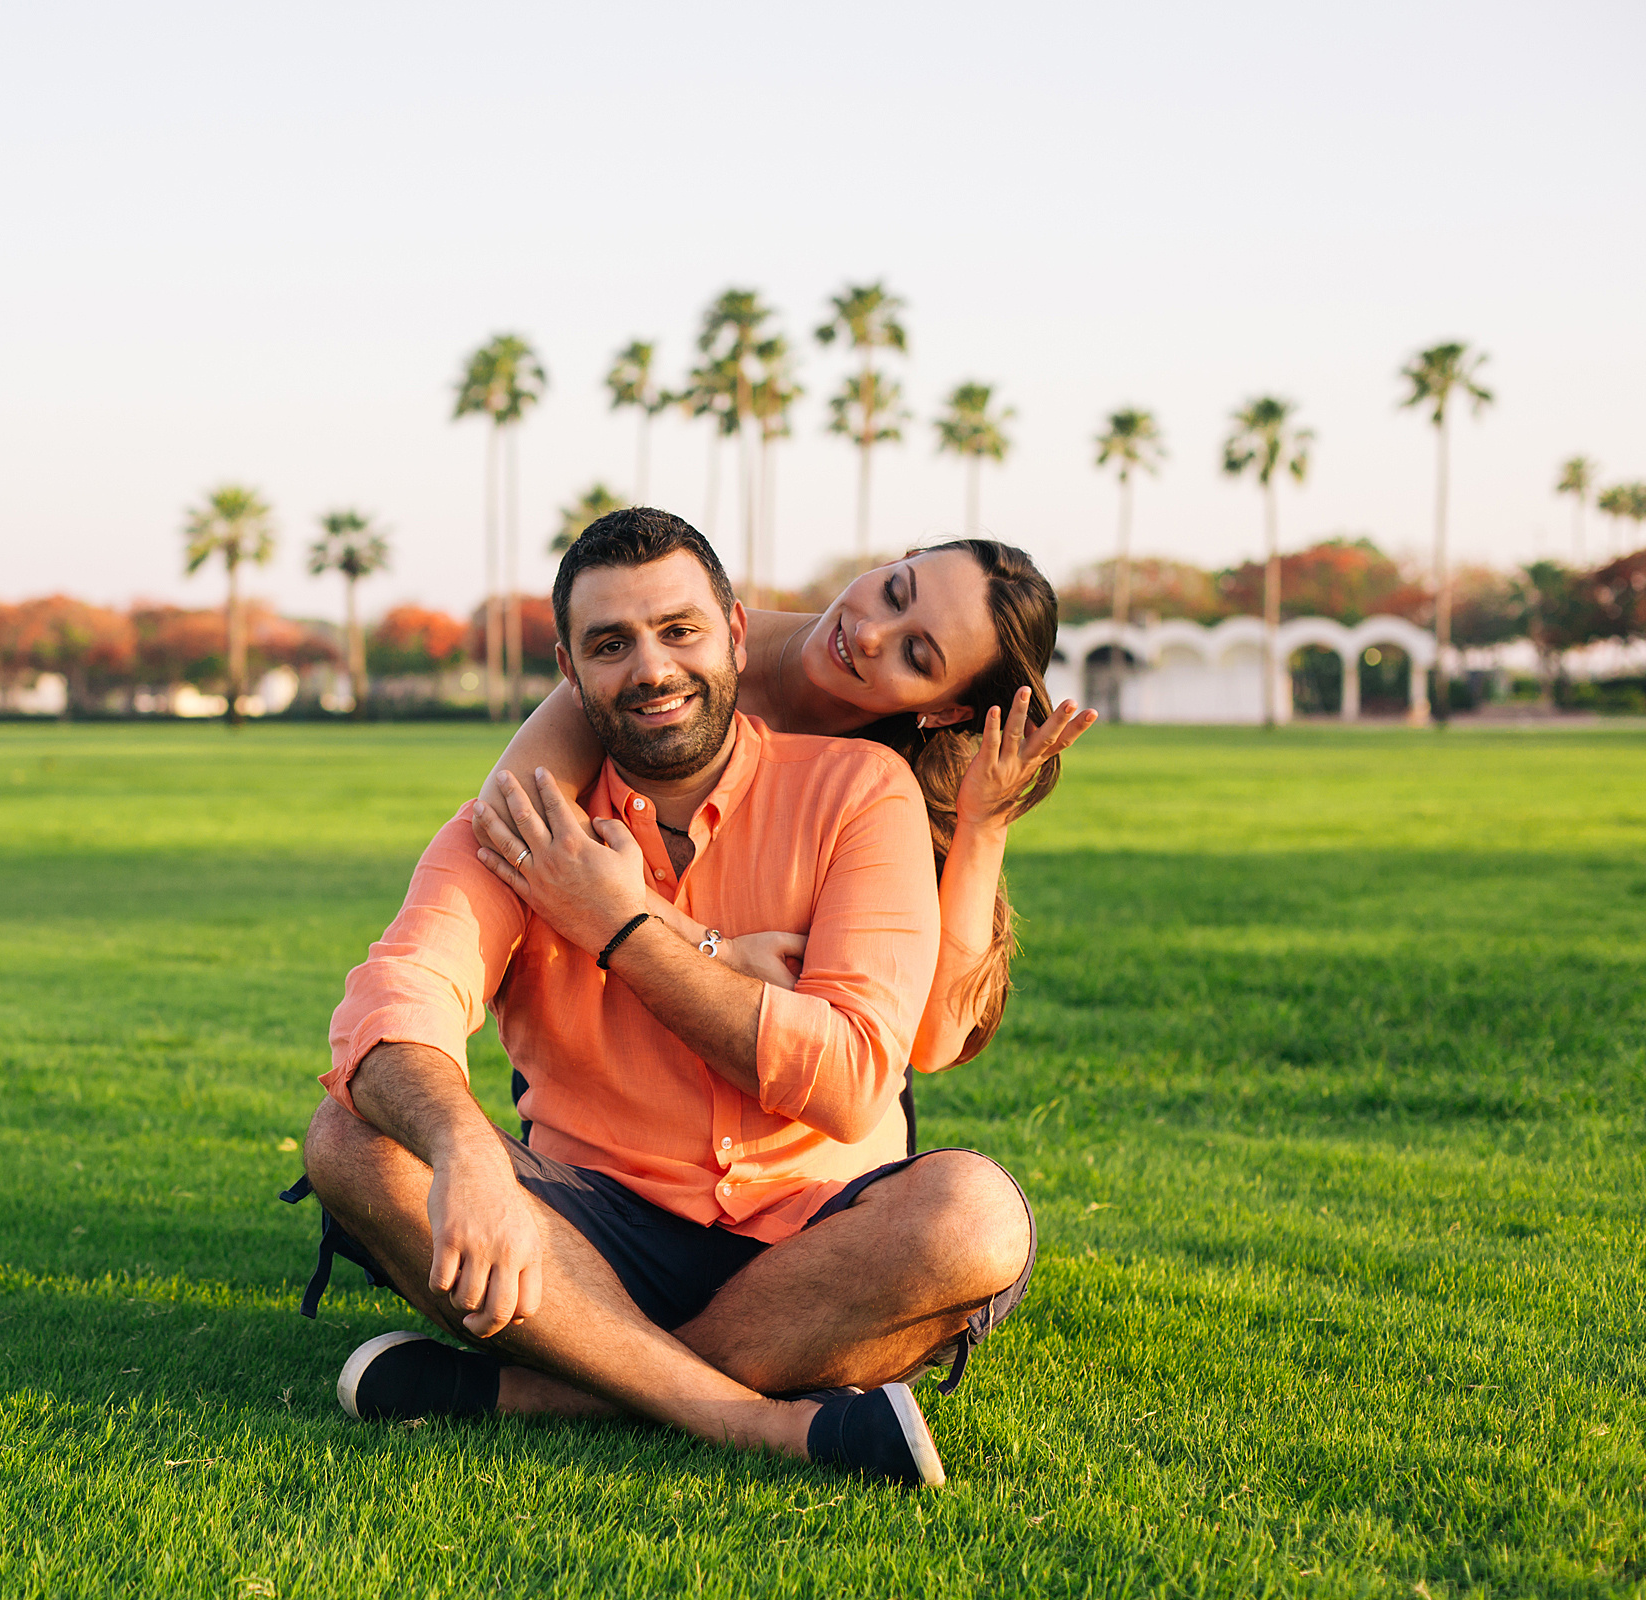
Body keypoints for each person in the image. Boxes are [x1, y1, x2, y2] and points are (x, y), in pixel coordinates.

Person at [290, 508, 1039, 1487]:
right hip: (599, 1214)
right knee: (351, 1137)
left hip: (813, 1217)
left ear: (733, 633)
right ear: (567, 666)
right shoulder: (526, 819)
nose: (650, 668)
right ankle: (758, 1420)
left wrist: (624, 927)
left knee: (975, 1215)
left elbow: (860, 1076)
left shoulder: (865, 788)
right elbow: (400, 992)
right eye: (611, 644)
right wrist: (464, 1149)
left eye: (679, 631)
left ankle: (566, 1377)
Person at [476, 536, 1091, 1078]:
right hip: (610, 1068)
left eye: (916, 655)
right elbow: (515, 813)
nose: (871, 633)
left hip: (809, 1108)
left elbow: (933, 1043)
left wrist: (983, 824)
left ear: (947, 711)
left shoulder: (889, 784)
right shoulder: (680, 655)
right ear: (894, 562)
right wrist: (716, 950)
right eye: (894, 592)